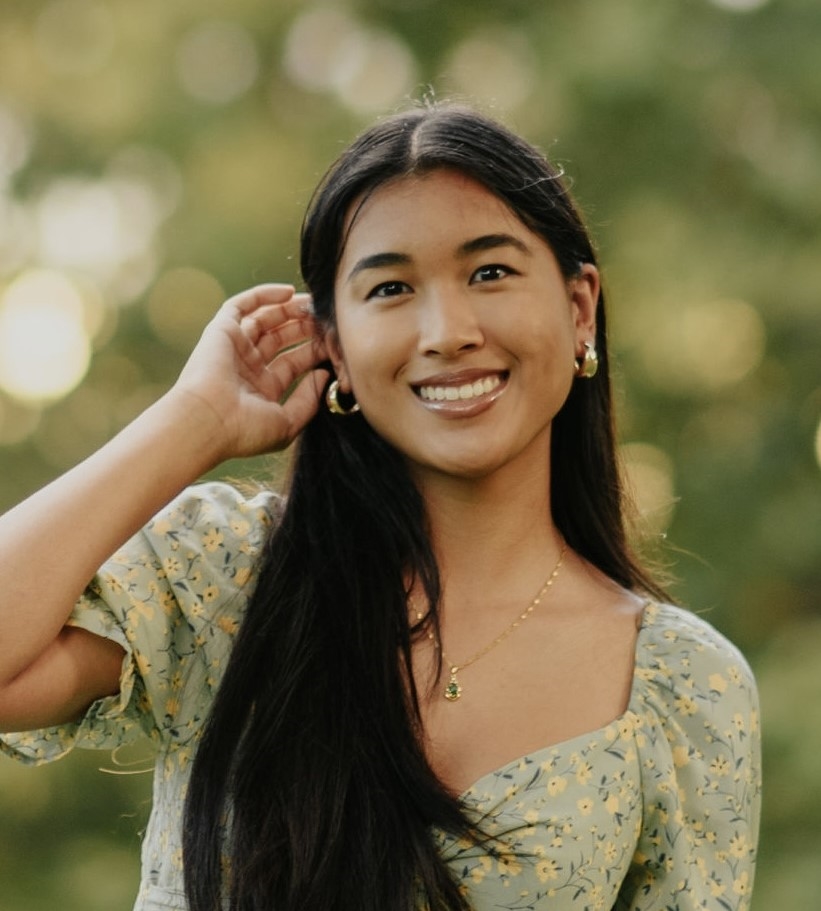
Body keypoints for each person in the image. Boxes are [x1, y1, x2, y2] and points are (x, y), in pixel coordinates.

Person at [0, 103, 760, 911]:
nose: (446, 331)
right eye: (391, 288)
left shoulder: (684, 686)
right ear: (334, 345)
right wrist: (194, 421)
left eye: (489, 272)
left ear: (578, 308)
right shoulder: (226, 575)